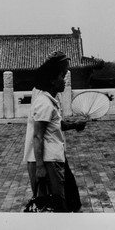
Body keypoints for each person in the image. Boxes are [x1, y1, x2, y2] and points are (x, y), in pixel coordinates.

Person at [23, 51, 86, 212]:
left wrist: (74, 125)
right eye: (62, 74)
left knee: (61, 199)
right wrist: (40, 166)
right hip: (46, 157)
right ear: (52, 77)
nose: (65, 78)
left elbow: (54, 124)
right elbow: (38, 135)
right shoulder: (43, 99)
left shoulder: (50, 97)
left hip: (53, 154)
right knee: (53, 203)